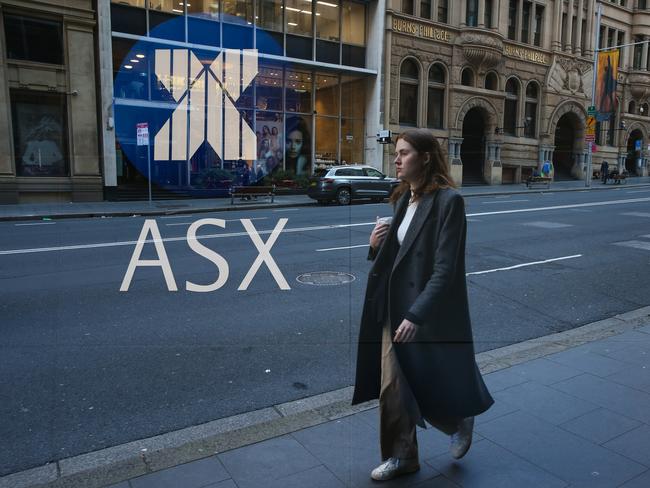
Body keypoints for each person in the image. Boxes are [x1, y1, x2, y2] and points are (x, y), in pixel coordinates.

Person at [352, 128, 494, 482]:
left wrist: (417, 314)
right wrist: (374, 245)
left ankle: (458, 418)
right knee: (392, 386)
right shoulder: (404, 198)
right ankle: (402, 456)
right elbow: (396, 257)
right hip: (392, 305)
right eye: (396, 153)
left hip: (422, 310)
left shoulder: (448, 202)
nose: (396, 160)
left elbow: (446, 269)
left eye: (404, 153)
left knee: (426, 379)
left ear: (426, 157)